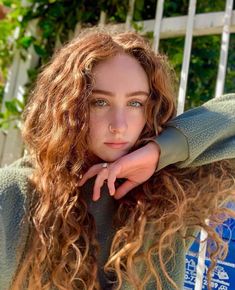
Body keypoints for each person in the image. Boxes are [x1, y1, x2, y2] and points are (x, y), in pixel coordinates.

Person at [0, 30, 235, 290]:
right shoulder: (17, 194)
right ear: (68, 107)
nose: (119, 126)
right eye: (99, 102)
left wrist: (161, 151)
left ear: (152, 108)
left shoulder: (170, 190)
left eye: (135, 103)